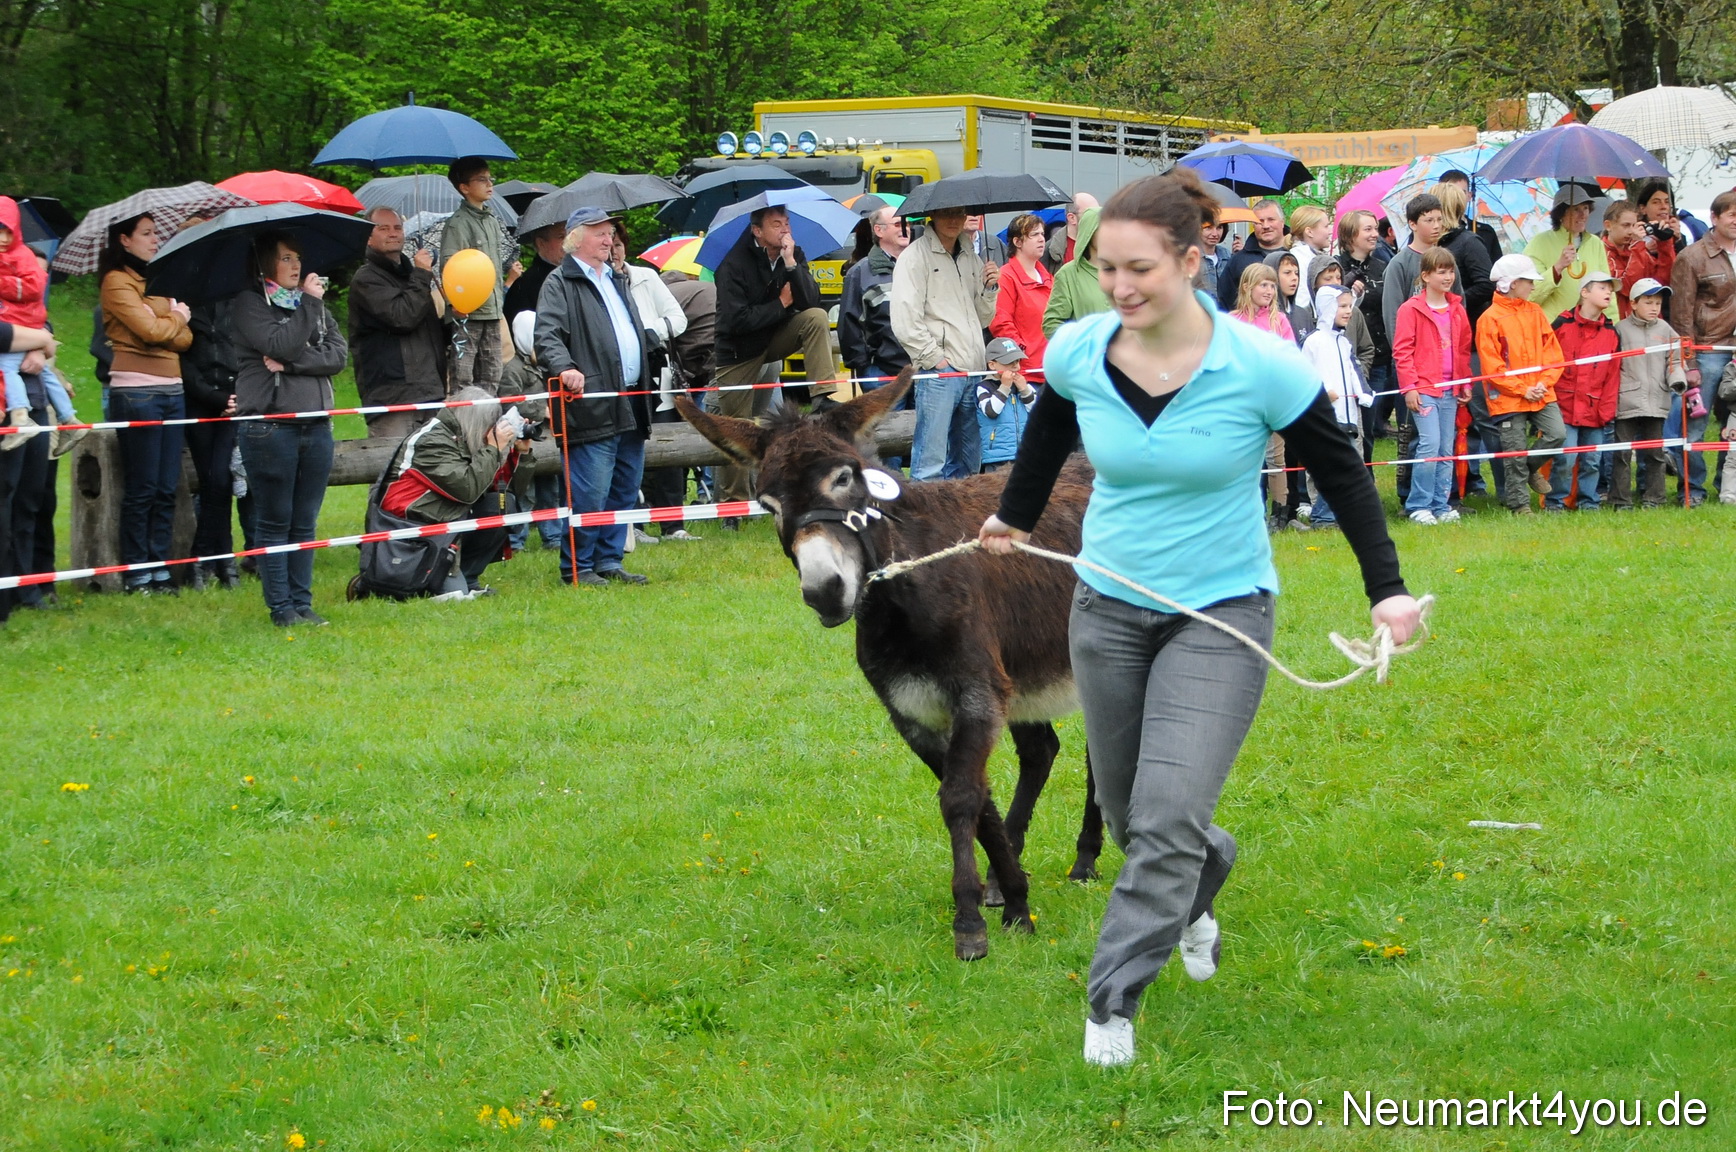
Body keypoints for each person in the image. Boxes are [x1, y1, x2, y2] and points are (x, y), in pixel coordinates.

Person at [974, 169, 1419, 1068]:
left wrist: (1387, 589)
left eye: (1140, 268)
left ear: (1189, 256)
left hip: (1222, 612)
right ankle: (1195, 883)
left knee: (1167, 811)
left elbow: (1342, 474)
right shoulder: (1082, 351)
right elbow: (1049, 437)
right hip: (1105, 609)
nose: (1121, 287)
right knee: (1144, 818)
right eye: (1105, 269)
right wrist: (1012, 519)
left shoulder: (1260, 364)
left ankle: (1111, 1005)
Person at [230, 232, 347, 624]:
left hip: (315, 425)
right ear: (265, 264)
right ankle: (281, 608)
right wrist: (310, 308)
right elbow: (279, 342)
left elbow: (337, 355)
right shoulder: (249, 304)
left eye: (297, 257)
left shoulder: (308, 305)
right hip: (270, 427)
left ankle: (303, 603)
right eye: (285, 258)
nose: (296, 265)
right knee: (275, 518)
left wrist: (294, 364)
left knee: (305, 521)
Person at [534, 206, 653, 586]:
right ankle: (578, 568)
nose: (609, 239)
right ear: (575, 238)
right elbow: (546, 335)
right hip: (592, 401)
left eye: (610, 233)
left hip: (632, 398)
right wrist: (564, 367)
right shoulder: (560, 282)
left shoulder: (616, 279)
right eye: (600, 233)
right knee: (590, 491)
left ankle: (609, 561)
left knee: (623, 486)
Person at [712, 204, 837, 499]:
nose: (785, 230)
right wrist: (779, 305)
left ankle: (822, 395)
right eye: (777, 224)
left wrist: (792, 264)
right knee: (737, 428)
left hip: (776, 337)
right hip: (738, 350)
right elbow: (736, 321)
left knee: (817, 317)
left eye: (787, 223)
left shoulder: (794, 254)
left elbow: (810, 302)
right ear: (758, 231)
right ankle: (735, 502)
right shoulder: (733, 264)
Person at [100, 213, 193, 594]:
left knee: (167, 485)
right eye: (147, 234)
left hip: (174, 390)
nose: (156, 240)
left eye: (157, 233)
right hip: (136, 392)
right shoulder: (116, 281)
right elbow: (152, 330)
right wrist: (175, 316)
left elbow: (185, 340)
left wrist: (166, 324)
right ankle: (138, 570)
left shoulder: (159, 281)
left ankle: (160, 568)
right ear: (124, 240)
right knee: (144, 487)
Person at [372, 386, 523, 600]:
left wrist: (521, 454)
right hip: (414, 528)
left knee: (502, 503)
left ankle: (468, 576)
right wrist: (492, 448)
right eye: (488, 425)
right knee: (453, 597)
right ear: (475, 420)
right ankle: (399, 580)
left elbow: (505, 489)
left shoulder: (463, 437)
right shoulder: (432, 441)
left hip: (447, 520)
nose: (489, 430)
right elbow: (468, 489)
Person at [891, 205, 1000, 480]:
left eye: (959, 213)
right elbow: (904, 320)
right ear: (932, 217)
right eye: (946, 213)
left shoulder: (972, 259)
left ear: (966, 217)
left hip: (973, 370)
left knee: (968, 464)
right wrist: (936, 360)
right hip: (939, 372)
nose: (953, 219)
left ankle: (960, 521)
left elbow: (984, 318)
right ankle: (922, 522)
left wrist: (990, 289)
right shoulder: (914, 257)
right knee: (930, 463)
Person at [350, 205, 447, 441]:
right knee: (395, 471)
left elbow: (430, 334)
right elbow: (402, 317)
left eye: (397, 227)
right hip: (392, 397)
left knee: (433, 470)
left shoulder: (412, 276)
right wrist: (422, 275)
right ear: (369, 238)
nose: (393, 233)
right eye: (383, 228)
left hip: (430, 391)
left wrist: (454, 318)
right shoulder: (366, 278)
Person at [1478, 254, 1566, 513]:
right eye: (1528, 281)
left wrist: (1542, 383)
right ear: (1512, 283)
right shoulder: (1489, 319)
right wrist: (1521, 389)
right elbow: (1492, 366)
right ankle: (1520, 508)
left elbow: (1553, 353)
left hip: (1540, 391)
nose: (1533, 286)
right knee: (1513, 451)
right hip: (1507, 397)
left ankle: (1527, 469)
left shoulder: (1535, 312)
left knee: (1557, 434)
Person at [1392, 247, 1471, 524]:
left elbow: (1463, 349)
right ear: (1425, 276)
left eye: (1450, 271)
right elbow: (1402, 350)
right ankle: (1418, 504)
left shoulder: (1457, 309)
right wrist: (1409, 387)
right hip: (1424, 388)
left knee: (1446, 448)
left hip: (1451, 388)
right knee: (1430, 444)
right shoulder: (1410, 309)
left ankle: (1440, 503)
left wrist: (1464, 381)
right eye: (1441, 271)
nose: (1448, 276)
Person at [1668, 190, 1736, 506]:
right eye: (1732, 214)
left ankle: (1727, 487)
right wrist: (1688, 360)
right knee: (1694, 427)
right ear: (1714, 217)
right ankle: (1692, 490)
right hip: (1706, 351)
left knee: (1732, 426)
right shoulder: (1691, 257)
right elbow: (1680, 313)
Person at [0, 200, 82, 456]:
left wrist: (39, 339)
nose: (3, 238)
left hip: (21, 322)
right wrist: (40, 341)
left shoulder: (20, 256)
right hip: (25, 326)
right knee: (43, 371)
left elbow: (33, 287)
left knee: (8, 368)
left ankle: (21, 415)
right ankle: (69, 419)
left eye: (8, 231)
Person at [181, 291, 244, 589]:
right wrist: (212, 396)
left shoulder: (238, 301)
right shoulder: (182, 304)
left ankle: (206, 558)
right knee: (212, 481)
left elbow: (246, 350)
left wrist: (237, 395)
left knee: (221, 479)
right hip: (199, 402)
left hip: (234, 399)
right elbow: (182, 361)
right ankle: (221, 562)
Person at [1543, 271, 1620, 511]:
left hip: (1595, 407)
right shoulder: (1561, 324)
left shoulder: (1611, 333)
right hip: (1563, 405)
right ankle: (1555, 502)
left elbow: (1613, 376)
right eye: (1602, 287)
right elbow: (1547, 363)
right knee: (1564, 458)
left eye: (1610, 289)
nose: (1608, 292)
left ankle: (1589, 502)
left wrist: (1607, 410)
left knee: (1592, 460)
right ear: (1584, 292)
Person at [1299, 284, 1373, 528]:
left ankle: (1333, 515)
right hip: (1325, 418)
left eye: (1349, 306)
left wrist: (1364, 394)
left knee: (1349, 469)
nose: (1348, 311)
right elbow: (1304, 377)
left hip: (1348, 415)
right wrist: (1319, 395)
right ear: (1328, 308)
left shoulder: (1343, 343)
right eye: (1342, 306)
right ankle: (1323, 516)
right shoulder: (1314, 342)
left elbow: (1354, 371)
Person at [1609, 278, 1684, 509]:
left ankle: (1655, 498)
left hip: (1656, 401)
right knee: (1621, 454)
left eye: (1658, 303)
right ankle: (1621, 500)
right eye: (1648, 302)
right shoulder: (1620, 330)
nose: (1654, 308)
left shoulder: (1667, 330)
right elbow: (1613, 367)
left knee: (1654, 453)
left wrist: (1677, 380)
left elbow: (1675, 361)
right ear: (1633, 303)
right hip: (1626, 401)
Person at [439, 157, 507, 391]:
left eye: (490, 178)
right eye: (481, 179)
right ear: (464, 188)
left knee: (492, 373)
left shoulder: (491, 221)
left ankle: (486, 424)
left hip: (492, 309)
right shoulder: (458, 223)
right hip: (467, 312)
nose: (490, 184)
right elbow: (450, 265)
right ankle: (461, 424)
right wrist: (454, 302)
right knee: (463, 375)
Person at [839, 206, 911, 383]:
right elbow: (849, 324)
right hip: (880, 373)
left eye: (907, 224)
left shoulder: (921, 267)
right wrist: (864, 365)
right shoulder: (859, 273)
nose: (905, 228)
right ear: (878, 230)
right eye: (897, 224)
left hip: (922, 370)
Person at [1337, 210, 1392, 441]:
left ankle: (1366, 474)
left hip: (1377, 357)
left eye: (1375, 229)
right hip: (1344, 357)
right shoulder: (1336, 268)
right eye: (1367, 229)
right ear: (1351, 236)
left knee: (1368, 427)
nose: (1374, 235)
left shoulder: (1382, 266)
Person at [1525, 185, 1617, 322]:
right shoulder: (1538, 244)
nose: (1583, 215)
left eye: (1585, 208)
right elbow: (1529, 296)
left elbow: (1607, 290)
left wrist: (1613, 325)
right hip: (1554, 330)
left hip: (1591, 329)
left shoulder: (1595, 243)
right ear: (1561, 213)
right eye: (1576, 209)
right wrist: (1557, 269)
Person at [991, 213, 1054, 368]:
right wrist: (1021, 353)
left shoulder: (1048, 278)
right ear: (1017, 242)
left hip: (1051, 366)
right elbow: (1001, 323)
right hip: (1025, 369)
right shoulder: (1006, 276)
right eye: (1034, 235)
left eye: (1042, 234)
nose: (1041, 239)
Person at [1381, 193, 1445, 343]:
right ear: (1413, 224)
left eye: (1439, 219)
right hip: (1414, 351)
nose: (1436, 225)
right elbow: (1392, 315)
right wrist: (1403, 355)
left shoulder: (1446, 260)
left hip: (1445, 348)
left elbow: (1458, 304)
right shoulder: (1399, 264)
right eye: (1429, 220)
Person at [1434, 182, 1495, 329]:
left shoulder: (1469, 242)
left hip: (1467, 328)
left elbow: (1487, 285)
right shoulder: (1430, 242)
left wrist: (1452, 301)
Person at [1042, 207, 1107, 338]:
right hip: (1087, 356)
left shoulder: (1125, 271)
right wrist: (1081, 344)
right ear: (1089, 232)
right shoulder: (1068, 274)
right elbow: (1051, 324)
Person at [1602, 200, 1673, 319]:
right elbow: (1627, 288)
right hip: (1620, 322)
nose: (1631, 231)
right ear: (1608, 225)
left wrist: (1664, 243)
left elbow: (1662, 280)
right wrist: (1637, 245)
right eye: (1625, 225)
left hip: (1647, 321)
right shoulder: (1603, 252)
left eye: (1634, 226)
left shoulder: (1637, 249)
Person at [975, 337, 1036, 472]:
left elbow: (1037, 413)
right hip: (997, 457)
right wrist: (1004, 387)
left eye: (1018, 361)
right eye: (1009, 362)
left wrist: (1025, 390)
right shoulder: (984, 387)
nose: (1016, 366)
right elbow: (991, 411)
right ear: (992, 365)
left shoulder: (1023, 385)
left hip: (1025, 453)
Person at [1216, 199, 1287, 312]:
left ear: (1282, 222)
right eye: (1259, 221)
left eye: (1271, 220)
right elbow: (1226, 300)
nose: (1266, 226)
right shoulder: (1239, 261)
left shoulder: (1297, 253)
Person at [1436, 169, 1503, 264]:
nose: (1457, 198)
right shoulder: (1433, 232)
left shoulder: (1486, 232)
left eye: (1461, 192)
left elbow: (1497, 269)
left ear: (1469, 196)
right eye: (1452, 193)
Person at [1227, 264, 1291, 341]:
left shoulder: (1279, 320)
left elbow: (1290, 351)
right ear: (1246, 287)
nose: (1269, 291)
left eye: (1272, 286)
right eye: (1264, 285)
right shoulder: (1232, 319)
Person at [1286, 205, 1332, 310]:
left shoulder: (1313, 256)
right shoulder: (1298, 259)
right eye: (1326, 226)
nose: (1330, 231)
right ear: (1309, 232)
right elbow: (1301, 300)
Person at [1043, 192, 1100, 274]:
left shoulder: (1104, 247)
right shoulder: (1049, 251)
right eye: (1089, 214)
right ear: (1072, 218)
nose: (1096, 218)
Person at [1263, 250, 1311, 345]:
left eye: (1296, 273)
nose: (1294, 278)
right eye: (1287, 272)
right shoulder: (1261, 315)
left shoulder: (1303, 315)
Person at [1195, 217, 1232, 299]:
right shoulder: (1192, 258)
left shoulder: (1227, 255)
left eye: (1219, 228)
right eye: (1208, 228)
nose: (1215, 234)